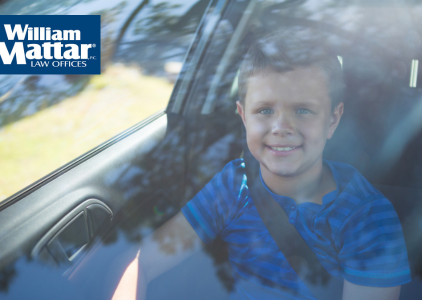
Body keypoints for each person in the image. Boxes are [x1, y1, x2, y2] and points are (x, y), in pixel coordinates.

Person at [112, 31, 411, 300]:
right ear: (243, 116)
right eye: (265, 110)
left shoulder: (368, 219)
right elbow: (142, 262)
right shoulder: (232, 186)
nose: (281, 127)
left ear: (332, 120)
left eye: (303, 110)